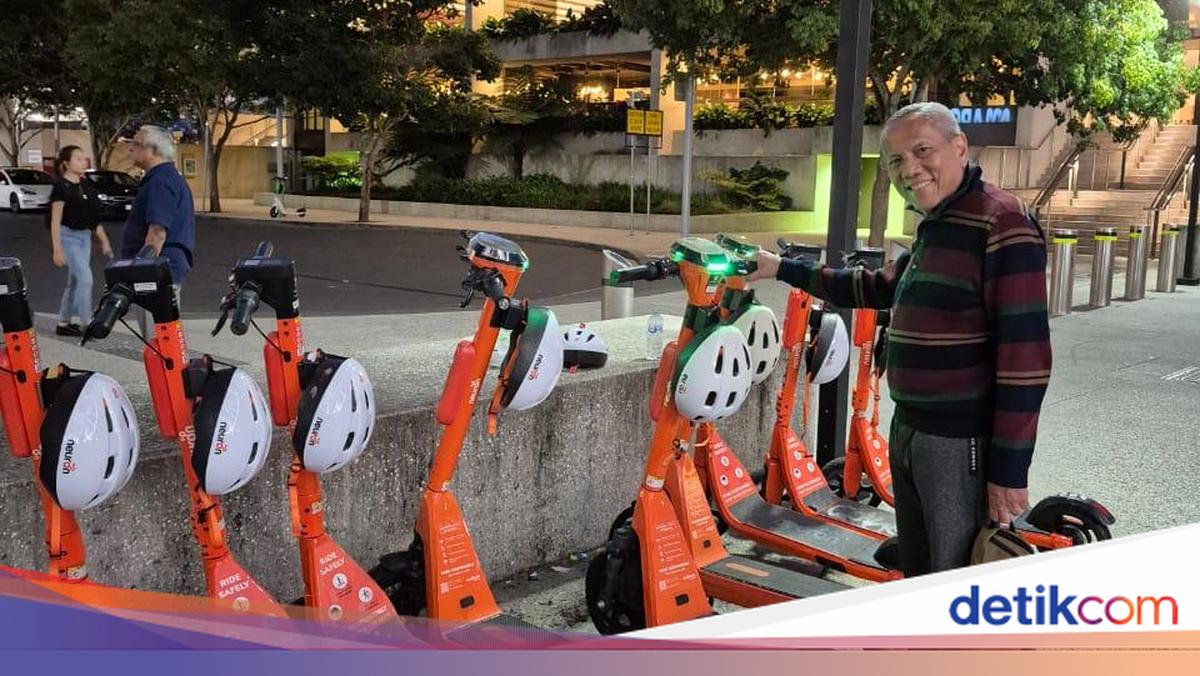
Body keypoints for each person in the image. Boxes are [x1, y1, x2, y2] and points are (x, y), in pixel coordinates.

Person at [750, 102, 1052, 577]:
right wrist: (781, 268)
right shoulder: (940, 222)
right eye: (895, 160)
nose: (909, 169)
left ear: (959, 147)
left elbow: (1026, 359)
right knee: (919, 565)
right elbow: (877, 287)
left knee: (952, 575)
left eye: (922, 151)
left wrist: (1009, 471)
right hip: (911, 428)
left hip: (958, 441)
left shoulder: (1002, 222)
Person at [119, 125, 195, 334]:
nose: (130, 149)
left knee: (158, 340)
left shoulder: (160, 181)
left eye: (136, 144)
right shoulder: (167, 177)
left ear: (153, 150)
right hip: (162, 271)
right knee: (164, 337)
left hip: (155, 274)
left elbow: (157, 233)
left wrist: (140, 270)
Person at [48, 145, 113, 337]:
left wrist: (104, 241)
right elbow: (55, 220)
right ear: (66, 163)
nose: (83, 162)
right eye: (78, 158)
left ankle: (63, 323)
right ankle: (87, 323)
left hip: (84, 237)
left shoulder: (86, 186)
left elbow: (93, 218)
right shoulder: (61, 187)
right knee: (86, 279)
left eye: (84, 158)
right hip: (68, 237)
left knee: (75, 282)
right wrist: (57, 248)